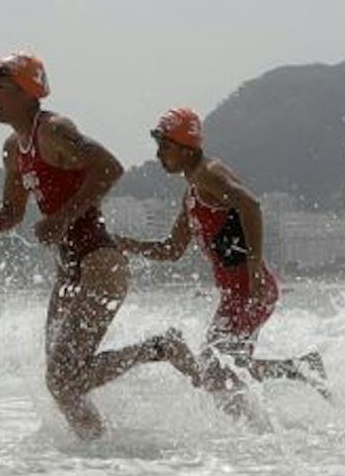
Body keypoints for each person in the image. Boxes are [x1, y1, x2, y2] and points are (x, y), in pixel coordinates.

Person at [0, 54, 155, 438]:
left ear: (28, 94)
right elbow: (11, 214)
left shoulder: (54, 130)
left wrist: (61, 219)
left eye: (0, 90)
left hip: (99, 263)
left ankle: (157, 349)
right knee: (59, 381)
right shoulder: (14, 148)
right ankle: (99, 449)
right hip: (69, 269)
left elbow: (109, 167)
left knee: (62, 378)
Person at [116, 108, 328, 420]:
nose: (159, 154)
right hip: (234, 295)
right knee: (217, 371)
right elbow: (171, 249)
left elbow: (251, 205)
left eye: (165, 146)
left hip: (252, 289)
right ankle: (290, 380)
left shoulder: (209, 174)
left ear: (186, 148)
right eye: (159, 147)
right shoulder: (192, 191)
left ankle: (265, 419)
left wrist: (254, 268)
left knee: (217, 372)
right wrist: (124, 244)